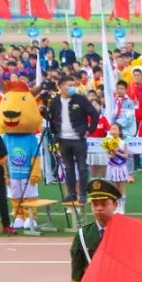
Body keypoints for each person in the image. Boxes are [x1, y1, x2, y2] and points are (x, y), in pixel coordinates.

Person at [47, 74, 99, 205]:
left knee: (82, 167)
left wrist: (89, 129)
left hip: (78, 138)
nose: (72, 88)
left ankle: (83, 193)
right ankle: (71, 193)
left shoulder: (80, 99)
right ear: (61, 86)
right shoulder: (55, 101)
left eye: (73, 85)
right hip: (63, 139)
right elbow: (51, 118)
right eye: (69, 85)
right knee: (68, 168)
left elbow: (94, 113)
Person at [69, 178, 120, 282]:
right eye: (95, 204)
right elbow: (77, 274)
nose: (99, 208)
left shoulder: (125, 232)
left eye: (104, 204)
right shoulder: (83, 235)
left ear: (115, 204)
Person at [103, 122, 130, 214]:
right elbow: (107, 154)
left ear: (120, 131)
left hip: (121, 166)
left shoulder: (123, 142)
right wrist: (111, 155)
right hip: (112, 166)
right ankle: (116, 205)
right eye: (112, 129)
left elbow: (126, 155)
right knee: (114, 187)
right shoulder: (108, 142)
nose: (113, 131)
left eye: (115, 129)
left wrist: (117, 152)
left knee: (121, 186)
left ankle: (122, 206)